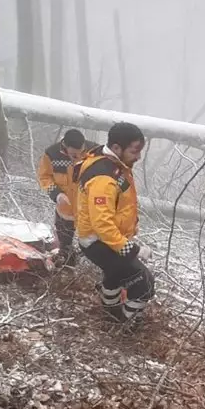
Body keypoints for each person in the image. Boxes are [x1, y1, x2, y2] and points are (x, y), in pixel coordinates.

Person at [75, 122, 155, 323]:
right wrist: (132, 249)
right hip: (98, 242)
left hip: (107, 240)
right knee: (144, 285)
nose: (138, 156)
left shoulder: (116, 165)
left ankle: (110, 315)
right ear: (117, 148)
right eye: (134, 151)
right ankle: (128, 328)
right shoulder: (104, 176)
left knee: (116, 276)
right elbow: (102, 224)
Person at [37, 129, 88, 265]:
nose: (77, 157)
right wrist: (57, 194)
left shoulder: (94, 151)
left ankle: (85, 264)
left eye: (80, 153)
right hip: (65, 210)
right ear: (64, 145)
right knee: (65, 244)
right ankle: (67, 264)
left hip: (88, 210)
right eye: (73, 155)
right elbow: (44, 177)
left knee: (90, 245)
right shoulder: (51, 154)